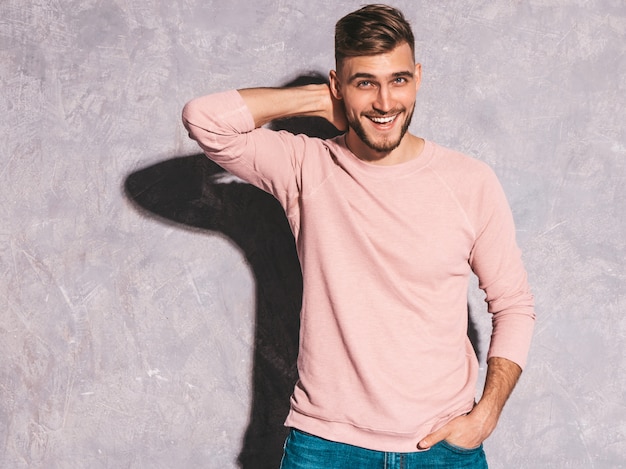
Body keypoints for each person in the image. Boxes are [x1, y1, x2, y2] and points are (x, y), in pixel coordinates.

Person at [182, 4, 535, 468]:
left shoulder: (469, 181)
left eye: (399, 80)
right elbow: (204, 119)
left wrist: (485, 417)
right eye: (365, 82)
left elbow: (514, 305)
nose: (386, 102)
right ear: (338, 85)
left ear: (418, 78)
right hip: (326, 446)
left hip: (442, 446)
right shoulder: (304, 166)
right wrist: (314, 101)